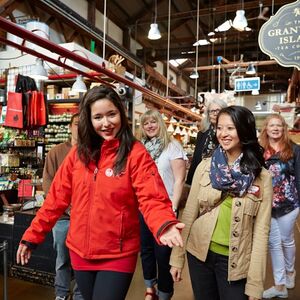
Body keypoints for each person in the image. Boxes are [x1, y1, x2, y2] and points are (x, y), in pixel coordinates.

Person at [16, 86, 184, 300]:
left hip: (117, 253)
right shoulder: (77, 155)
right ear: (89, 119)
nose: (106, 123)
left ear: (121, 114)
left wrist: (164, 224)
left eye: (111, 114)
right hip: (79, 251)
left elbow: (151, 196)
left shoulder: (135, 153)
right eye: (98, 117)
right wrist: (32, 237)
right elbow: (55, 200)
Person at [170, 106, 273, 300]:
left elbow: (261, 232)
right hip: (199, 255)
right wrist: (177, 258)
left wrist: (255, 285)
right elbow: (189, 214)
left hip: (236, 260)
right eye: (219, 128)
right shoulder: (205, 166)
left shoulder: (261, 177)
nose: (223, 134)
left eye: (230, 128)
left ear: (243, 130)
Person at [139, 110, 188, 300]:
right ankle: (150, 288)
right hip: (143, 207)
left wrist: (173, 207)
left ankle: (165, 293)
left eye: (153, 122)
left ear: (160, 123)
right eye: (145, 123)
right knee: (146, 251)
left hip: (165, 208)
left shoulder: (172, 146)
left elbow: (179, 179)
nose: (150, 126)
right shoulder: (140, 148)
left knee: (163, 254)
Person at [43, 113, 83, 300]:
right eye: (76, 124)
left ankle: (79, 294)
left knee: (82, 261)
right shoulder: (56, 152)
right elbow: (48, 185)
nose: (79, 127)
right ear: (69, 127)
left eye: (83, 124)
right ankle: (61, 294)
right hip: (62, 219)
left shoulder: (92, 152)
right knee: (62, 259)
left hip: (84, 218)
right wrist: (67, 207)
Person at [260, 114, 300, 299]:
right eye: (271, 125)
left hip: (289, 204)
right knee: (273, 244)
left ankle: (290, 272)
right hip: (267, 205)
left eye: (279, 125)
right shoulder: (260, 150)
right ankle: (280, 285)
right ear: (266, 129)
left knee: (286, 239)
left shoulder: (294, 149)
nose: (275, 128)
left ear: (284, 128)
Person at [185, 98, 227, 186]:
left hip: (222, 179)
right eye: (212, 111)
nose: (215, 114)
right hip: (201, 178)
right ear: (208, 114)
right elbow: (196, 159)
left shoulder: (229, 133)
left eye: (218, 110)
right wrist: (189, 183)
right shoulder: (202, 133)